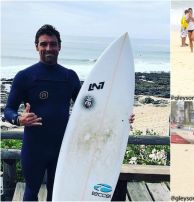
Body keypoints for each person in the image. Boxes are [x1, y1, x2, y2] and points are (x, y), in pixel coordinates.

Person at [4, 25, 135, 201]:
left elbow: (90, 108)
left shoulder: (69, 77)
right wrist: (19, 119)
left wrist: (120, 116)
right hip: (34, 148)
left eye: (53, 44)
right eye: (44, 44)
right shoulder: (24, 76)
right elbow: (8, 110)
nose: (48, 48)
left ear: (60, 46)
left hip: (64, 149)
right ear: (36, 46)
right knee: (30, 192)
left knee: (58, 194)